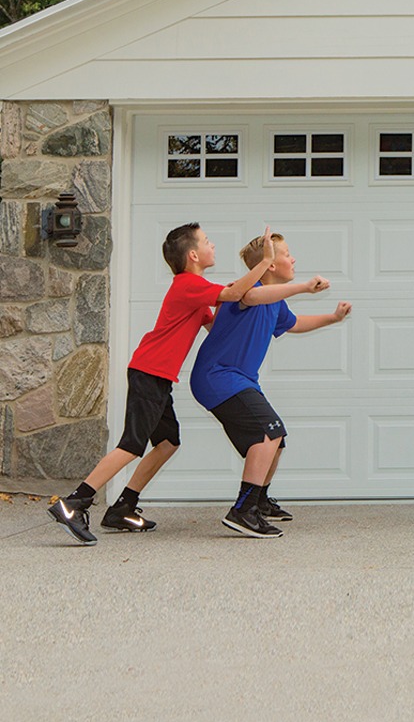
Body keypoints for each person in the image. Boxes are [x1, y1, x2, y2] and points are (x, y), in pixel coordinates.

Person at [48, 223, 276, 544]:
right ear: (194, 255)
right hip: (149, 371)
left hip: (158, 375)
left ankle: (123, 507)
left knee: (168, 442)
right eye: (208, 241)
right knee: (132, 445)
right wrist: (265, 262)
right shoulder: (188, 284)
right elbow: (234, 294)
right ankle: (74, 502)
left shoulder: (197, 291)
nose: (214, 245)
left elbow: (220, 326)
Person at [190, 232, 352, 538]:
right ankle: (242, 510)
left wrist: (333, 318)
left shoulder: (275, 303)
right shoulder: (246, 289)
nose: (294, 259)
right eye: (287, 254)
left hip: (238, 380)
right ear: (271, 265)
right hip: (217, 377)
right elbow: (251, 297)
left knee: (277, 439)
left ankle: (259, 502)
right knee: (268, 431)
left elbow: (294, 324)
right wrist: (304, 287)